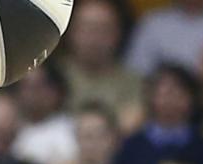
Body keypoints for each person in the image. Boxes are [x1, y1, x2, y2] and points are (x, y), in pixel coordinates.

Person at [61, 0, 144, 129]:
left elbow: (131, 124)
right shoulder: (52, 77)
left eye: (103, 29)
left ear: (118, 33)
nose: (94, 38)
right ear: (70, 31)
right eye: (86, 29)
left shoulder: (133, 82)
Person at [12, 64, 79, 164]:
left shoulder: (68, 129)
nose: (31, 94)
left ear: (55, 91)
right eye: (26, 87)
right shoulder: (12, 127)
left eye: (37, 87)